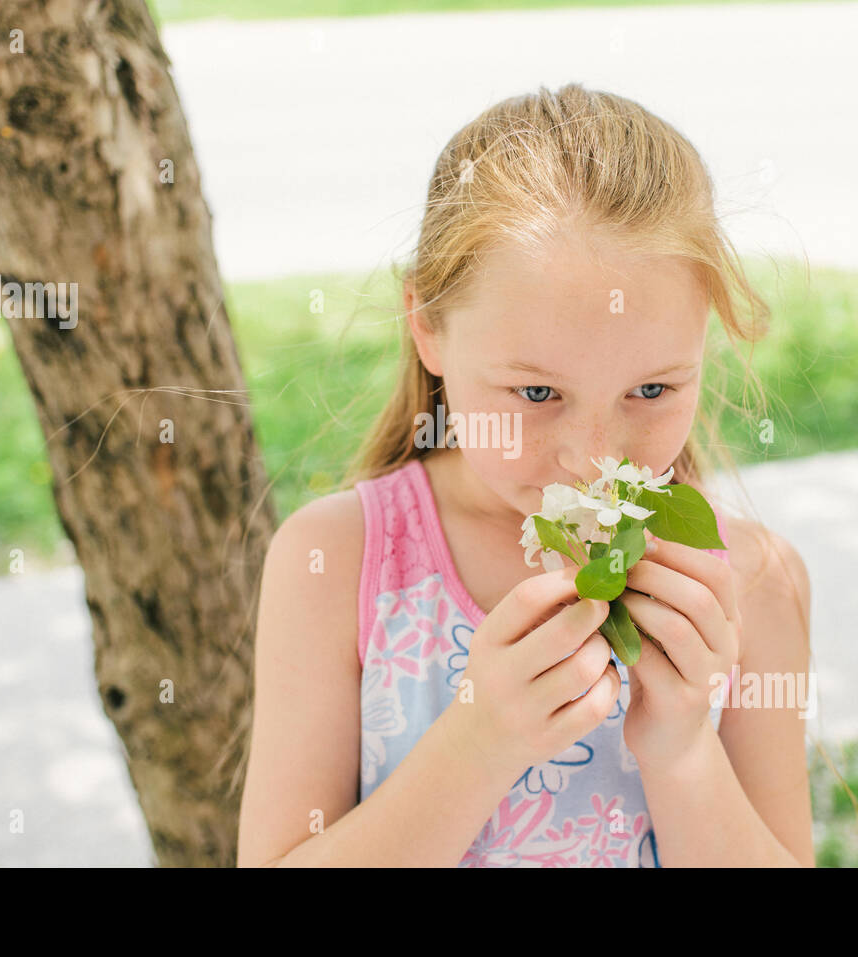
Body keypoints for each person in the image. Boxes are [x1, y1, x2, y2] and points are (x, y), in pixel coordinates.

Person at [237, 82, 815, 867]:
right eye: (537, 393)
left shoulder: (751, 584)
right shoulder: (337, 564)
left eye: (651, 389)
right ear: (427, 328)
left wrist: (681, 747)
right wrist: (480, 742)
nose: (592, 455)